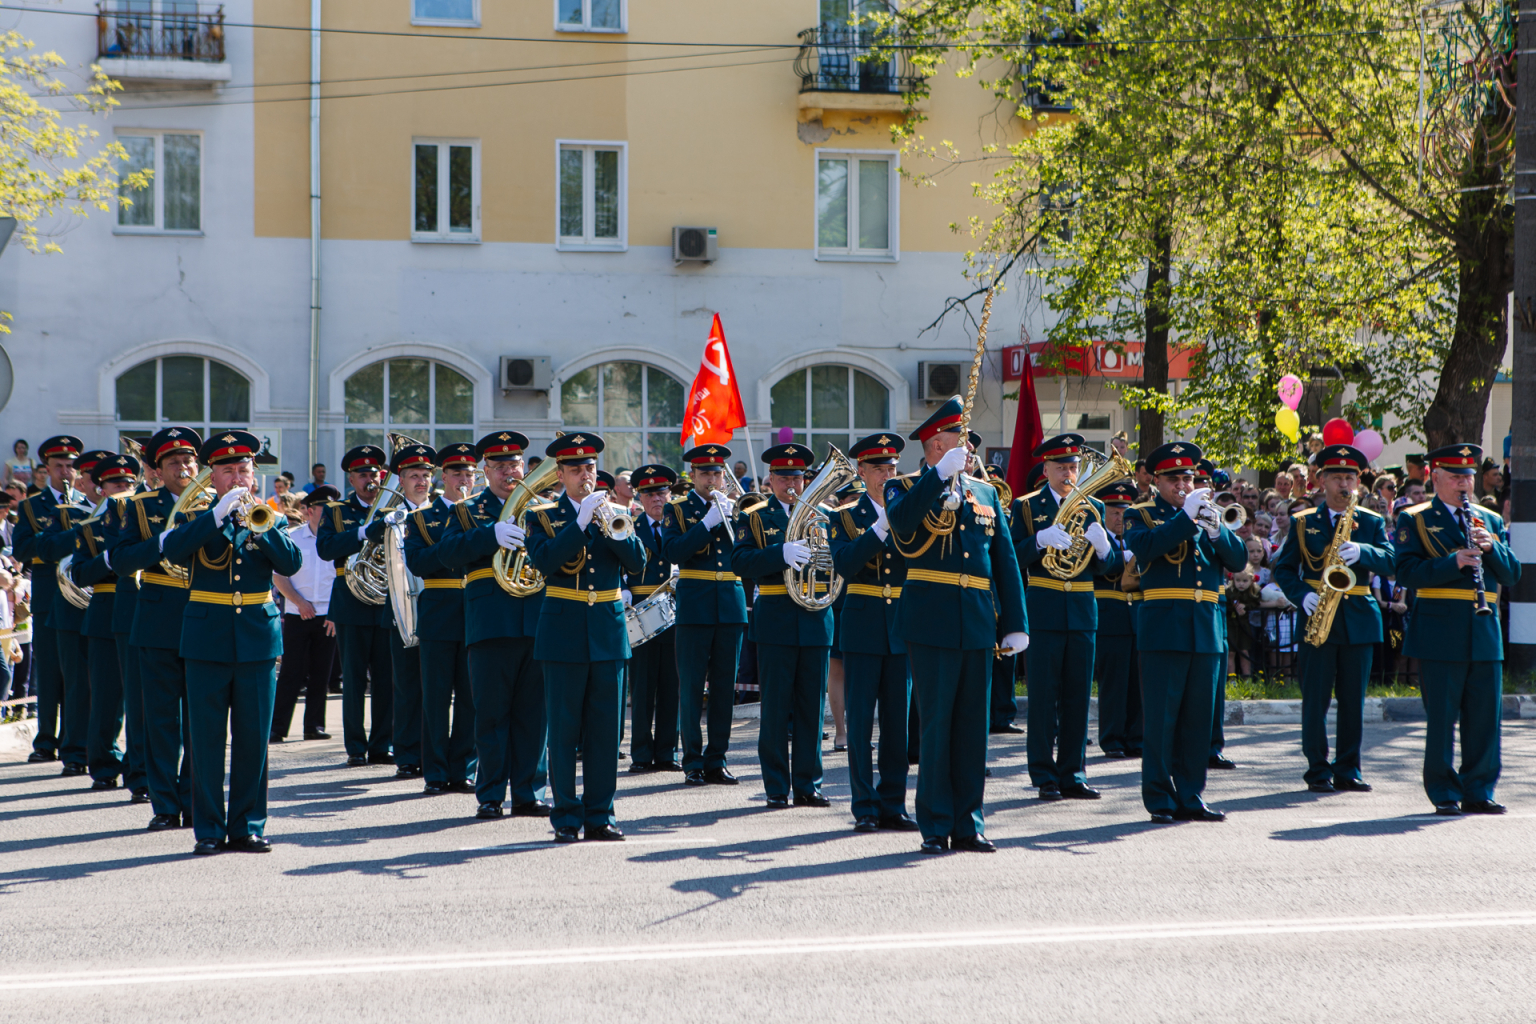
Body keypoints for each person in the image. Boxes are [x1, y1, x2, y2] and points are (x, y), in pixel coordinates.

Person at [885, 397, 1028, 854]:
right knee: (936, 726)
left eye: (964, 441)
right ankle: (934, 823)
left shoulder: (985, 494)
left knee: (972, 728)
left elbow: (1004, 560)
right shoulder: (906, 487)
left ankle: (970, 823)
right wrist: (936, 478)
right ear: (933, 447)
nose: (965, 449)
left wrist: (1015, 620)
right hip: (931, 621)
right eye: (954, 442)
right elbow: (903, 526)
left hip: (977, 623)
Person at [161, 430, 302, 854]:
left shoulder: (270, 516)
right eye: (228, 471)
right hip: (207, 639)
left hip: (258, 639)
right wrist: (217, 516)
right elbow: (173, 552)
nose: (238, 477)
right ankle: (207, 829)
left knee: (253, 738)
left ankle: (248, 826)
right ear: (213, 477)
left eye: (244, 469)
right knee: (205, 740)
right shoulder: (194, 517)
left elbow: (291, 562)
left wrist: (263, 526)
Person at [525, 433, 646, 841]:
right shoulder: (542, 515)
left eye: (590, 468)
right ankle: (566, 817)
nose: (585, 476)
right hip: (563, 630)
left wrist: (616, 529)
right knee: (563, 731)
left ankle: (601, 815)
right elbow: (544, 562)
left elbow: (638, 564)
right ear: (560, 474)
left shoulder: (618, 512)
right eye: (576, 469)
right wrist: (578, 524)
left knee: (605, 731)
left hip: (608, 631)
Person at [1394, 443, 1521, 815]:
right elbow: (1405, 572)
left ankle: (1479, 789)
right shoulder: (1414, 518)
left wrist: (1491, 547)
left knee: (1484, 718)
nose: (1464, 484)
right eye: (1455, 477)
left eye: (1468, 476)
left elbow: (1512, 574)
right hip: (1439, 632)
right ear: (1435, 478)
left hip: (1484, 632)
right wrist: (1453, 563)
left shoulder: (1489, 519)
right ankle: (1444, 792)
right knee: (1441, 720)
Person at [1124, 441, 1248, 824]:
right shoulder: (1139, 514)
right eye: (1174, 477)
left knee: (1198, 719)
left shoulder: (1209, 516)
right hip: (1164, 626)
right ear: (1156, 480)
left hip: (1206, 627)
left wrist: (1215, 532)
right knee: (1161, 719)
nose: (1183, 483)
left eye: (1189, 476)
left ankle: (1191, 795)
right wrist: (1185, 518)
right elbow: (1145, 548)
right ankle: (1160, 798)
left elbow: (1239, 560)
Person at [434, 431, 550, 820]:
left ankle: (530, 793)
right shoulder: (465, 511)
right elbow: (447, 554)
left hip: (536, 621)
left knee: (534, 714)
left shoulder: (542, 508)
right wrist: (490, 535)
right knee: (491, 714)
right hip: (489, 623)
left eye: (514, 465)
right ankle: (490, 794)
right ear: (486, 471)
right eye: (499, 466)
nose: (508, 473)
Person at [1272, 445, 1395, 793]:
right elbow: (1283, 569)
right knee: (1315, 700)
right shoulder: (1303, 521)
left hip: (1357, 617)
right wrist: (1302, 596)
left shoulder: (1369, 521)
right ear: (1322, 480)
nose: (1345, 483)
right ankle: (1317, 769)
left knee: (1353, 701)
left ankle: (1348, 768)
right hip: (1317, 617)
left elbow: (1391, 561)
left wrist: (1364, 551)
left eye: (1350, 477)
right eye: (1338, 476)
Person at [1010, 433, 1122, 802]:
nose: (1069, 473)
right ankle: (1044, 774)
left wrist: (1106, 548)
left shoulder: (1093, 508)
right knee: (1043, 697)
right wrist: (1039, 541)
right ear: (1046, 469)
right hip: (1043, 609)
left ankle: (1073, 772)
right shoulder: (1027, 507)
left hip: (1082, 612)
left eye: (1073, 467)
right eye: (1061, 467)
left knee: (1077, 697)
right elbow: (1009, 560)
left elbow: (1108, 569)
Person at [110, 427, 202, 830]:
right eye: (173, 463)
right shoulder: (141, 507)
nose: (183, 467)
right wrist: (162, 544)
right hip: (158, 619)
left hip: (205, 617)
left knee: (203, 720)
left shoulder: (216, 503)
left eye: (188, 460)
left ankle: (197, 798)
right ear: (157, 471)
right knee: (161, 720)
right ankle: (165, 804)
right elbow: (121, 558)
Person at [732, 442, 834, 810]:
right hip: (776, 618)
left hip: (814, 618)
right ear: (770, 479)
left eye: (797, 476)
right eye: (783, 476)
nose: (791, 483)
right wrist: (781, 554)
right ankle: (776, 786)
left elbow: (835, 564)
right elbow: (740, 562)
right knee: (775, 708)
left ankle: (809, 785)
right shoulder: (755, 516)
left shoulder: (822, 515)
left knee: (811, 708)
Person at [828, 432, 917, 832]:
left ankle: (893, 803)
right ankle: (864, 804)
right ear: (861, 472)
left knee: (897, 724)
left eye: (892, 468)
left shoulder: (911, 510)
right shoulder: (843, 516)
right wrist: (878, 531)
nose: (887, 475)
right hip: (863, 624)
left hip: (901, 622)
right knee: (861, 722)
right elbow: (845, 563)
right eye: (878, 469)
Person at [659, 443, 748, 787]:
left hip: (730, 603)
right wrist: (707, 523)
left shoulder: (739, 509)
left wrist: (730, 515)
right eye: (705, 473)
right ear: (693, 476)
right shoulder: (676, 510)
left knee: (725, 688)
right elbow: (673, 551)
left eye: (717, 473)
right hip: (695, 603)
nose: (712, 479)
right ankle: (692, 759)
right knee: (693, 686)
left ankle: (717, 758)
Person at [402, 442, 479, 795]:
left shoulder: (483, 513)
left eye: (469, 473)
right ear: (443, 477)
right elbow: (418, 563)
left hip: (477, 608)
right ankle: (434, 771)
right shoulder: (422, 517)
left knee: (470, 696)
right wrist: (457, 548)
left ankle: (463, 768)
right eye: (457, 473)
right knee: (435, 696)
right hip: (437, 611)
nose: (464, 479)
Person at [65, 454, 143, 795]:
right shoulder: (89, 527)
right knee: (106, 696)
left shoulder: (145, 519)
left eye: (128, 484)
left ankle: (139, 768)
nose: (123, 489)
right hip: (104, 611)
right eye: (115, 484)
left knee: (140, 698)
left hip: (139, 610)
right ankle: (103, 764)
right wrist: (112, 557)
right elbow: (80, 573)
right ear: (100, 489)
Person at [315, 445, 394, 768]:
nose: (371, 479)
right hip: (350, 599)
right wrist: (362, 532)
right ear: (351, 478)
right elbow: (325, 549)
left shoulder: (392, 508)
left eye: (375, 473)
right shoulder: (336, 511)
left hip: (386, 598)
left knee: (387, 679)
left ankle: (382, 745)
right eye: (363, 475)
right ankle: (355, 747)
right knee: (354, 680)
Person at [14, 435, 84, 768]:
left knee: (76, 672)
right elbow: (22, 550)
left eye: (71, 466)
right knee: (48, 672)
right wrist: (56, 541)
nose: (66, 472)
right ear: (46, 469)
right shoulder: (32, 506)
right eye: (59, 466)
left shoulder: (87, 503)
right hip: (46, 596)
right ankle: (45, 741)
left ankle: (73, 740)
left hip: (79, 597)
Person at [383, 442, 438, 780]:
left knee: (436, 685)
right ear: (400, 481)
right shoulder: (387, 515)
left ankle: (433, 750)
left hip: (437, 605)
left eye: (425, 475)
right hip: (401, 607)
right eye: (413, 476)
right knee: (406, 685)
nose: (421, 481)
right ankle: (406, 754)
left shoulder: (442, 513)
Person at [622, 464, 682, 774]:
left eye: (661, 492)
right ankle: (642, 753)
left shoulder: (681, 525)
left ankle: (668, 752)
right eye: (649, 493)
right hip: (639, 613)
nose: (656, 498)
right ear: (640, 497)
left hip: (674, 612)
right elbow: (613, 561)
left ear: (670, 494)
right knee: (642, 688)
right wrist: (621, 589)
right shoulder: (628, 526)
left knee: (672, 687)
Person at [270, 485, 339, 742]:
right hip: (299, 614)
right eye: (325, 509)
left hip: (328, 616)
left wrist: (335, 612)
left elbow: (344, 580)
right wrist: (299, 602)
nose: (330, 514)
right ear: (309, 511)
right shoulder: (292, 537)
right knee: (291, 672)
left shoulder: (338, 540)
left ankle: (314, 726)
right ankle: (277, 728)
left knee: (321, 674)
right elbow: (279, 576)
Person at [1093, 481, 1143, 759]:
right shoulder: (1095, 537)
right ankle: (1112, 738)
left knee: (1137, 681)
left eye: (1125, 512)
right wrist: (1118, 558)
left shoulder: (1136, 539)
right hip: (1109, 617)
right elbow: (1098, 566)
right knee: (1113, 682)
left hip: (1135, 616)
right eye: (1114, 512)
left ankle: (1136, 737)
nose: (1120, 518)